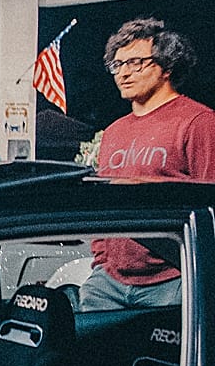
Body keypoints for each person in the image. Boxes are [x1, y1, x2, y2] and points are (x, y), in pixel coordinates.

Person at [84, 17, 215, 312]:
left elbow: (210, 208)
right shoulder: (114, 132)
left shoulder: (198, 122)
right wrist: (101, 260)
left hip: (172, 282)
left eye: (136, 63)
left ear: (166, 67)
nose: (123, 73)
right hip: (109, 284)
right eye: (118, 65)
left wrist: (196, 273)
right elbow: (104, 202)